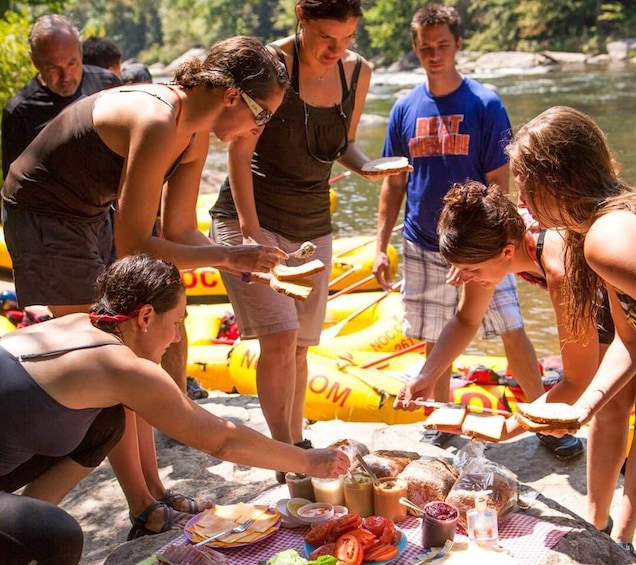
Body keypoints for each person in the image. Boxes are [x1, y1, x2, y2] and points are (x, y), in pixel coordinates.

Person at [2, 35, 289, 536]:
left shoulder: (195, 132)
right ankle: (144, 505)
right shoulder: (159, 121)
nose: (257, 129)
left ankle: (155, 489)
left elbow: (177, 229)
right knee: (112, 358)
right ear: (231, 97)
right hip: (41, 212)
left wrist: (245, 267)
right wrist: (228, 253)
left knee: (135, 355)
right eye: (261, 115)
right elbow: (136, 240)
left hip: (89, 211)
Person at [0, 254, 349, 563]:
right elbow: (220, 440)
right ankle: (29, 535)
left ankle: (24, 527)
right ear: (146, 316)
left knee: (108, 422)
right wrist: (308, 461)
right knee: (57, 535)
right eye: (177, 322)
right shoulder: (122, 366)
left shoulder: (80, 324)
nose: (178, 338)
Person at [371, 3, 579, 458]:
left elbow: (498, 183)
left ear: (458, 44)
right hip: (425, 241)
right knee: (434, 329)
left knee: (511, 325)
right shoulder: (405, 107)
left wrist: (494, 247)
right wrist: (380, 244)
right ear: (415, 48)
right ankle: (441, 419)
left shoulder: (483, 103)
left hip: (484, 244)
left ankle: (551, 424)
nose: (434, 54)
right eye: (425, 47)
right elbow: (392, 183)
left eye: (442, 45)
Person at [210, 0, 397, 483]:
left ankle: (295, 447)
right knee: (279, 336)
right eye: (326, 39)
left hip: (312, 226)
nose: (337, 50)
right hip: (251, 217)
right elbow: (239, 148)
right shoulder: (271, 65)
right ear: (302, 18)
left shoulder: (358, 73)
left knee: (299, 347)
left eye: (348, 39)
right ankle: (286, 455)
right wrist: (251, 232)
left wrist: (369, 167)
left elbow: (343, 145)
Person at [504, 105, 636, 556]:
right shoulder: (591, 235)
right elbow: (631, 339)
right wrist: (585, 407)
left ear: (556, 180)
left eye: (525, 186)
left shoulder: (605, 237)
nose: (520, 202)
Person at [393, 180, 603, 448]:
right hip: (603, 297)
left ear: (507, 252)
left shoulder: (559, 270)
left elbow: (578, 379)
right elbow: (466, 319)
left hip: (618, 294)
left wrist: (507, 428)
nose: (464, 278)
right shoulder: (505, 233)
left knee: (611, 405)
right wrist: (427, 376)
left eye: (473, 270)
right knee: (610, 411)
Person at [1, 15, 121, 179]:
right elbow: (13, 188)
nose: (65, 76)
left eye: (72, 63)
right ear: (35, 62)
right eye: (52, 67)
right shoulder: (20, 111)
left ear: (80, 53)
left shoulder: (108, 85)